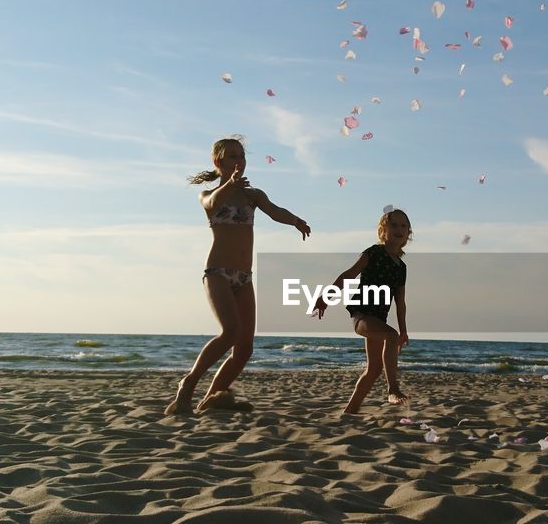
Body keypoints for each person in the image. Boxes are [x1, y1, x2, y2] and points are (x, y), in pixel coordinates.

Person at [165, 136, 311, 415]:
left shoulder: (252, 195)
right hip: (218, 272)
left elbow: (274, 210)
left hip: (244, 278)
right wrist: (229, 184)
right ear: (218, 162)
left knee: (244, 349)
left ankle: (211, 398)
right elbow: (212, 204)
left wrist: (295, 221)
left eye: (241, 156)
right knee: (230, 332)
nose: (238, 161)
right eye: (232, 156)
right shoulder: (208, 194)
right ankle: (188, 385)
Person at [313, 208, 411, 413]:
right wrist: (325, 297)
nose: (399, 229)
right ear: (383, 229)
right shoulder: (373, 253)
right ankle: (392, 388)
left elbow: (400, 302)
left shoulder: (401, 267)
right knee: (390, 337)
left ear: (408, 234)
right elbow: (348, 275)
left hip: (379, 320)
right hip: (362, 316)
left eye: (403, 226)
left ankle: (350, 411)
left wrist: (404, 331)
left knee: (374, 369)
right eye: (394, 225)